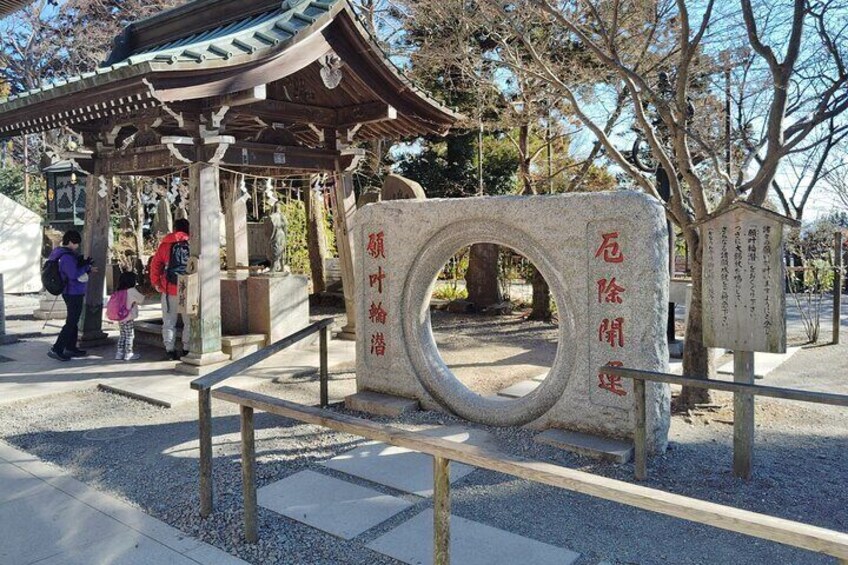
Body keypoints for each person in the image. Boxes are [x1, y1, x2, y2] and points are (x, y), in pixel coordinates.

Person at [47, 230, 97, 361]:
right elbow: (73, 275)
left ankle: (70, 347)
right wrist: (87, 268)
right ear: (69, 241)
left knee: (73, 321)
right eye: (75, 243)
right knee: (71, 322)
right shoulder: (67, 257)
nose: (76, 246)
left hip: (71, 291)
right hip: (72, 292)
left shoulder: (61, 253)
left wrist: (85, 264)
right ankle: (57, 348)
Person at [149, 218, 192, 360]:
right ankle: (187, 349)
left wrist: (157, 283)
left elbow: (155, 265)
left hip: (169, 288)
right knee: (189, 321)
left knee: (169, 321)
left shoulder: (165, 244)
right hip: (187, 287)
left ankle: (170, 350)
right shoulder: (192, 243)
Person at [107, 271, 145, 361]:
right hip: (128, 317)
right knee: (130, 335)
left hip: (120, 317)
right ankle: (129, 353)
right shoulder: (131, 291)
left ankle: (119, 353)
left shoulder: (119, 290)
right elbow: (141, 299)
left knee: (122, 335)